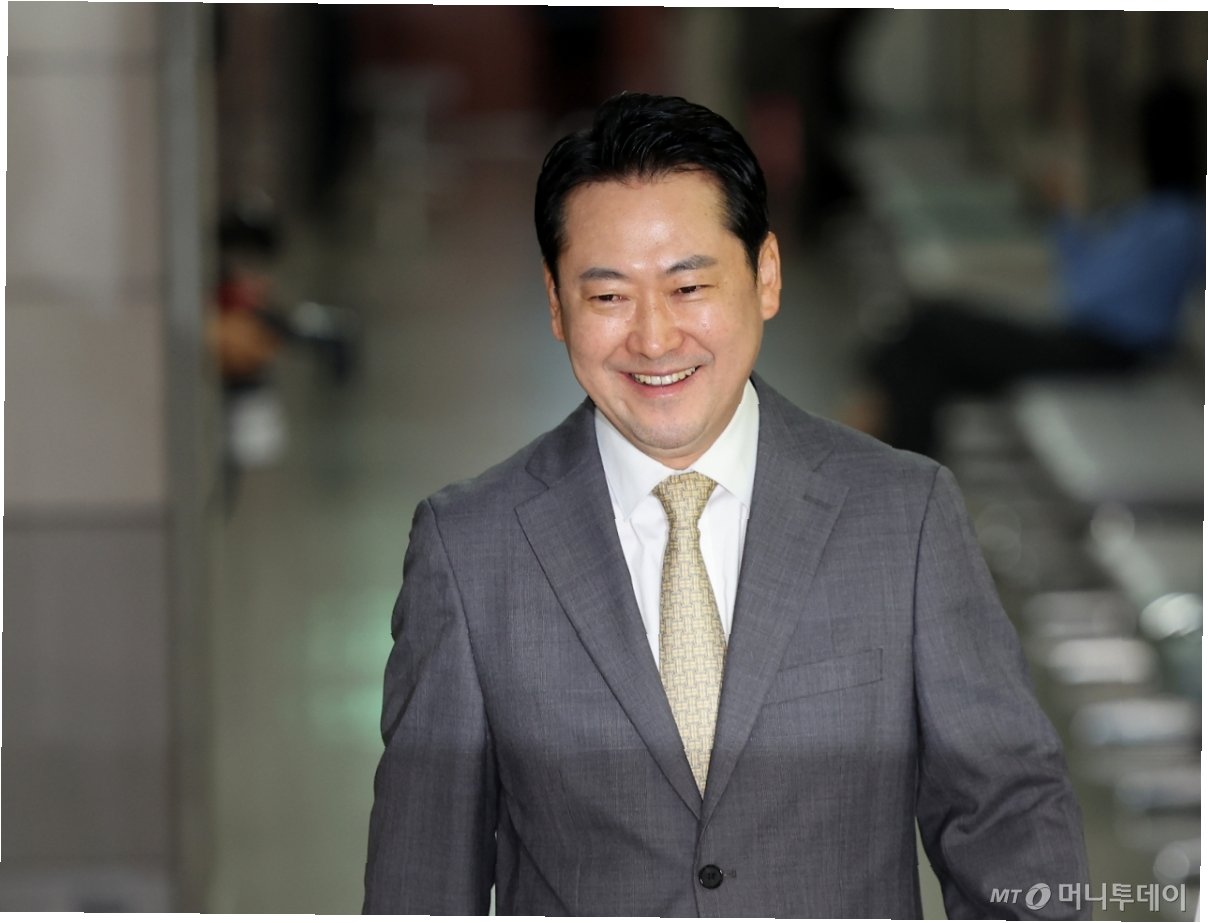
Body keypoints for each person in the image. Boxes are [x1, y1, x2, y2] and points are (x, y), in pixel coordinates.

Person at [363, 92, 1090, 918]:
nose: (654, 338)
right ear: (557, 305)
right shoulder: (470, 550)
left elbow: (1008, 817)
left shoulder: (904, 516)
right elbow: (421, 879)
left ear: (766, 275)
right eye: (608, 297)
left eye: (689, 285)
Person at [848, 79, 1205, 458]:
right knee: (925, 354)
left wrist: (1068, 221)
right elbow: (1086, 277)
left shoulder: (1180, 222)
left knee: (931, 329)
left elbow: (1086, 290)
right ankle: (896, 470)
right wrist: (1062, 212)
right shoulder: (1151, 214)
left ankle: (878, 460)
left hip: (1105, 353)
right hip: (1081, 340)